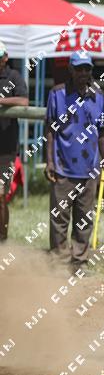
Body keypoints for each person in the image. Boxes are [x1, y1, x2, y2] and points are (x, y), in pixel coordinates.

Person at [45, 51, 104, 274]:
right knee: (59, 218)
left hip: (89, 168)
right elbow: (50, 130)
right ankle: (58, 262)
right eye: (79, 69)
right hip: (62, 166)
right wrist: (49, 162)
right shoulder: (57, 94)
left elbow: (102, 131)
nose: (83, 73)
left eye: (87, 69)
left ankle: (79, 262)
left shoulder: (98, 96)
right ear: (71, 70)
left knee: (84, 219)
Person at [0, 40, 29, 242]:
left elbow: (24, 101)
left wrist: (0, 101)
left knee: (1, 196)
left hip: (6, 148)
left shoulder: (14, 77)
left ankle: (2, 240)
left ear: (5, 57)